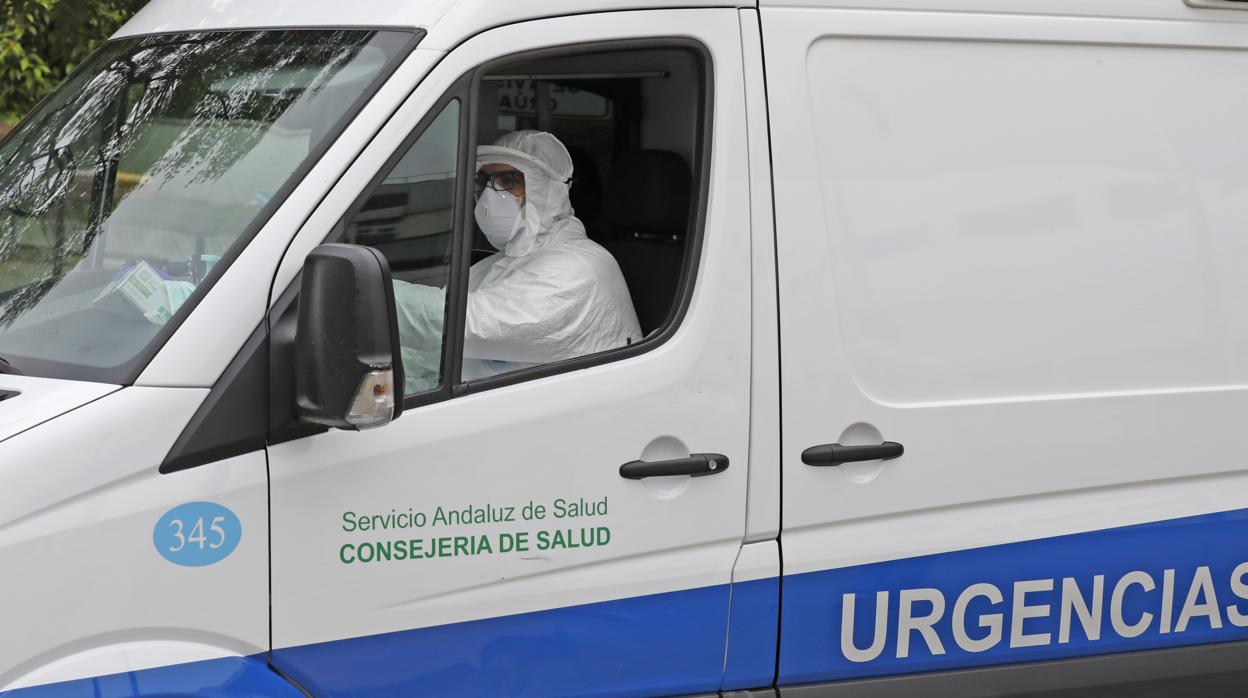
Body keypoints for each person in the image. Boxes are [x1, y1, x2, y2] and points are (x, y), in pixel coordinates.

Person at [393, 130, 640, 387]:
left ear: (547, 189)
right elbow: (435, 352)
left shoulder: (579, 268)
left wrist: (373, 296)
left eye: (508, 180)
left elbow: (459, 324)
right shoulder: (493, 266)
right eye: (484, 180)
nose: (490, 194)